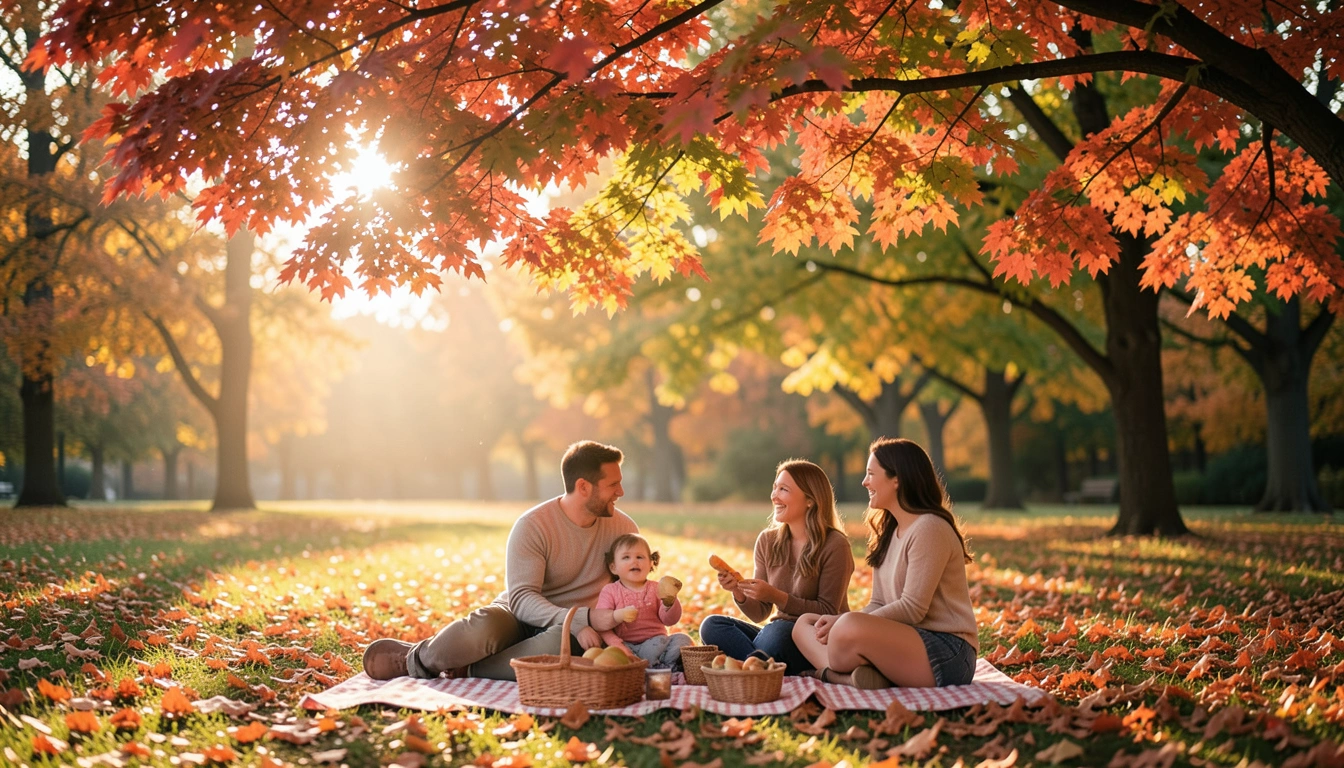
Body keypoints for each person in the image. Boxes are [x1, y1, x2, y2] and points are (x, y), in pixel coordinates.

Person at [361, 440, 636, 681]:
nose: (620, 492)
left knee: (563, 642)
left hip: (575, 630)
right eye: (613, 484)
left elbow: (632, 589)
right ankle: (416, 659)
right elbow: (522, 599)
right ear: (583, 487)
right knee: (484, 625)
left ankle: (466, 669)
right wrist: (577, 617)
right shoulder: (534, 525)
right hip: (519, 617)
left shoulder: (624, 531)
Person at [793, 437, 978, 689]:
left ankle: (831, 675)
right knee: (803, 624)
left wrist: (844, 623)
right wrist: (839, 621)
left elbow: (913, 608)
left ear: (897, 479)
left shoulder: (929, 528)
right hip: (905, 643)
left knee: (846, 627)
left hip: (948, 653)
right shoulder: (889, 533)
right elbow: (879, 603)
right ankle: (858, 676)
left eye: (871, 473)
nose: (864, 481)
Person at [699, 459, 853, 675]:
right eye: (775, 488)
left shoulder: (835, 544)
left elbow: (827, 611)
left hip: (816, 637)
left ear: (810, 500)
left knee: (777, 633)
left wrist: (776, 595)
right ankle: (762, 665)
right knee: (712, 625)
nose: (774, 496)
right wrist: (738, 591)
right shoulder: (767, 541)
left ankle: (754, 665)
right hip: (775, 636)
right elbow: (760, 613)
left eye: (784, 489)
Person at [595, 533, 693, 669]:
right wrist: (620, 647)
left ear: (651, 563)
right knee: (610, 655)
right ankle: (662, 669)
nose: (634, 561)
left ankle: (661, 668)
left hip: (657, 644)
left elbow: (670, 621)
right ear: (613, 567)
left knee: (683, 639)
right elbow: (602, 626)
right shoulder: (610, 591)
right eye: (626, 557)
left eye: (640, 557)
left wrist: (669, 603)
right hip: (627, 647)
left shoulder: (657, 588)